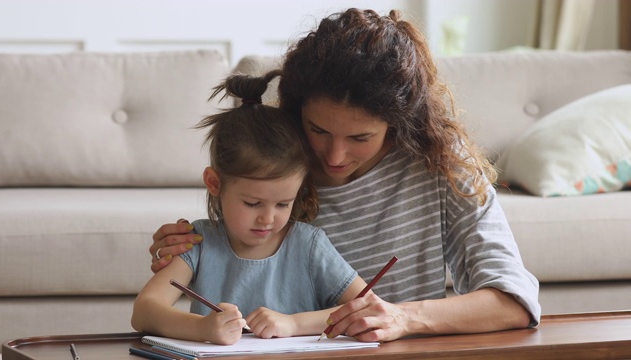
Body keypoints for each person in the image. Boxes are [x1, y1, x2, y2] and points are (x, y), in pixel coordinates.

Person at [149, 8, 541, 342]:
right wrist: (188, 246)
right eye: (317, 130)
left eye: (360, 137)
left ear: (397, 123)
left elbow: (514, 301)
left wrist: (402, 318)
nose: (334, 156)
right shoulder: (279, 158)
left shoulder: (440, 163)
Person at [131, 71, 368, 345]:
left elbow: (366, 306)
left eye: (283, 203)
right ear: (214, 183)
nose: (268, 218)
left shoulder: (309, 244)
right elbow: (143, 311)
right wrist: (203, 328)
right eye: (252, 203)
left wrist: (293, 323)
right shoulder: (199, 241)